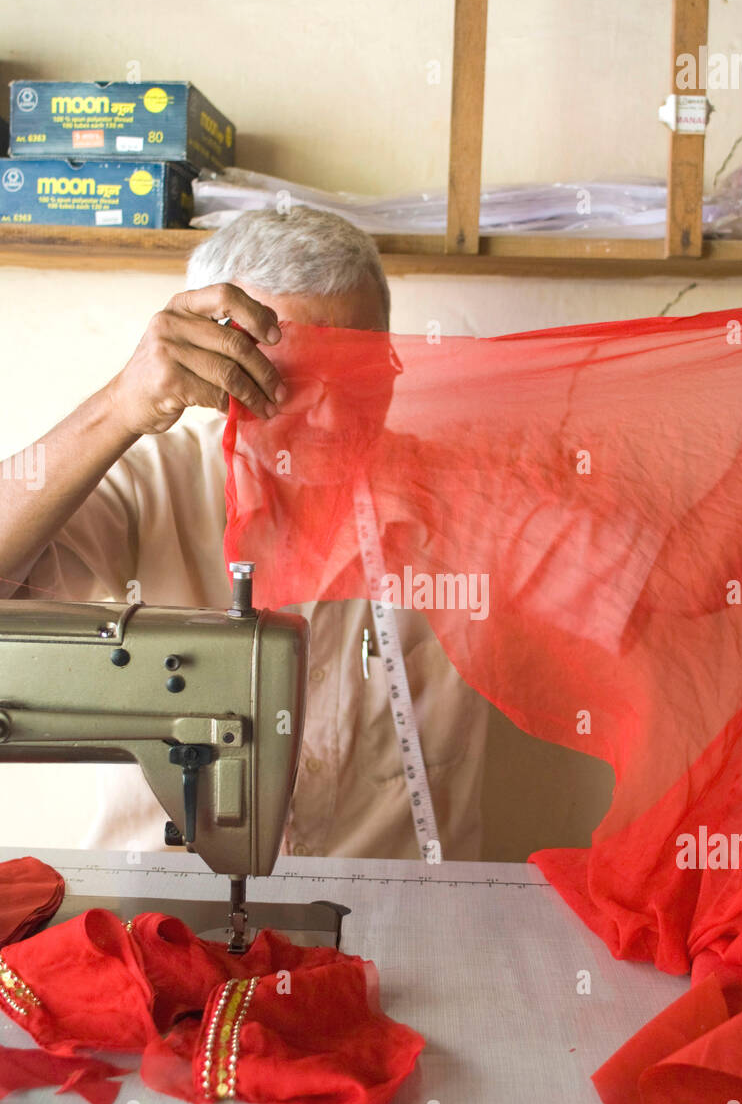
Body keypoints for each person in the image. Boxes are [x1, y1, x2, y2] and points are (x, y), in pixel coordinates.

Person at [0, 207, 489, 861]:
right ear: (210, 359)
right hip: (157, 922)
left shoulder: (477, 505)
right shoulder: (146, 488)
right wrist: (120, 405)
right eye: (288, 373)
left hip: (404, 928)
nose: (331, 411)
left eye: (359, 369)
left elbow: (659, 600)